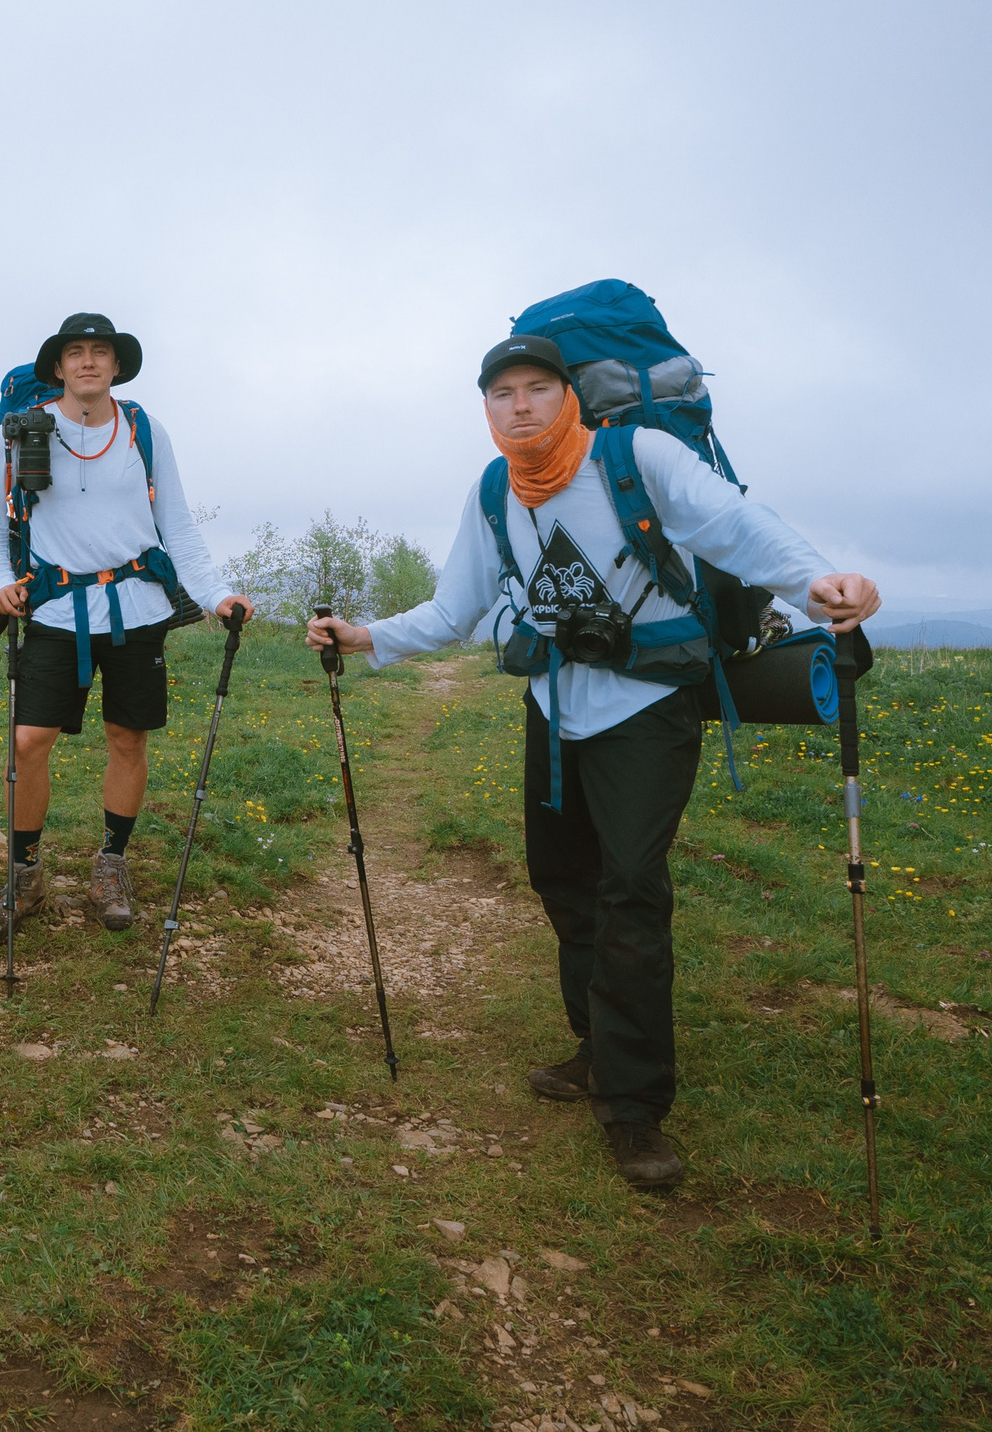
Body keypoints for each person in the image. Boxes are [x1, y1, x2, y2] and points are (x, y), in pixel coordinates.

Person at [308, 333, 879, 1190]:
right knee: (563, 881)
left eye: (538, 387)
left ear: (570, 395)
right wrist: (367, 638)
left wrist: (819, 583)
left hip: (649, 710)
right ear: (487, 410)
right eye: (503, 394)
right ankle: (598, 1046)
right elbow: (456, 604)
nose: (521, 405)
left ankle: (635, 1104)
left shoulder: (635, 454)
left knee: (632, 893)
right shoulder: (497, 489)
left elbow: (732, 525)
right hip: (555, 707)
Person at [0, 312, 250, 943]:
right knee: (28, 742)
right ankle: (25, 872)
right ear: (59, 367)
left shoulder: (145, 432)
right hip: (53, 609)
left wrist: (216, 594)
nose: (89, 361)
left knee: (128, 739)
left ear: (117, 366)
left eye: (101, 352)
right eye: (76, 352)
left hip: (140, 610)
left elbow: (176, 525)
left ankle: (111, 864)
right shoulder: (15, 437)